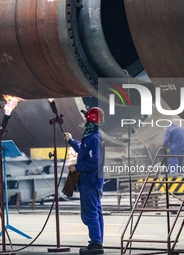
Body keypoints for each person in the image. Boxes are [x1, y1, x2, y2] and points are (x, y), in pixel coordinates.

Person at [63, 107, 105, 255]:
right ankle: (97, 242)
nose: (84, 119)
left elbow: (94, 161)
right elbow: (83, 150)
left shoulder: (94, 138)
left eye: (86, 117)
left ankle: (96, 244)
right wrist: (71, 141)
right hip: (91, 181)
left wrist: (77, 167)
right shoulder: (91, 136)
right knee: (96, 212)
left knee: (90, 213)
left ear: (91, 120)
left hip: (90, 181)